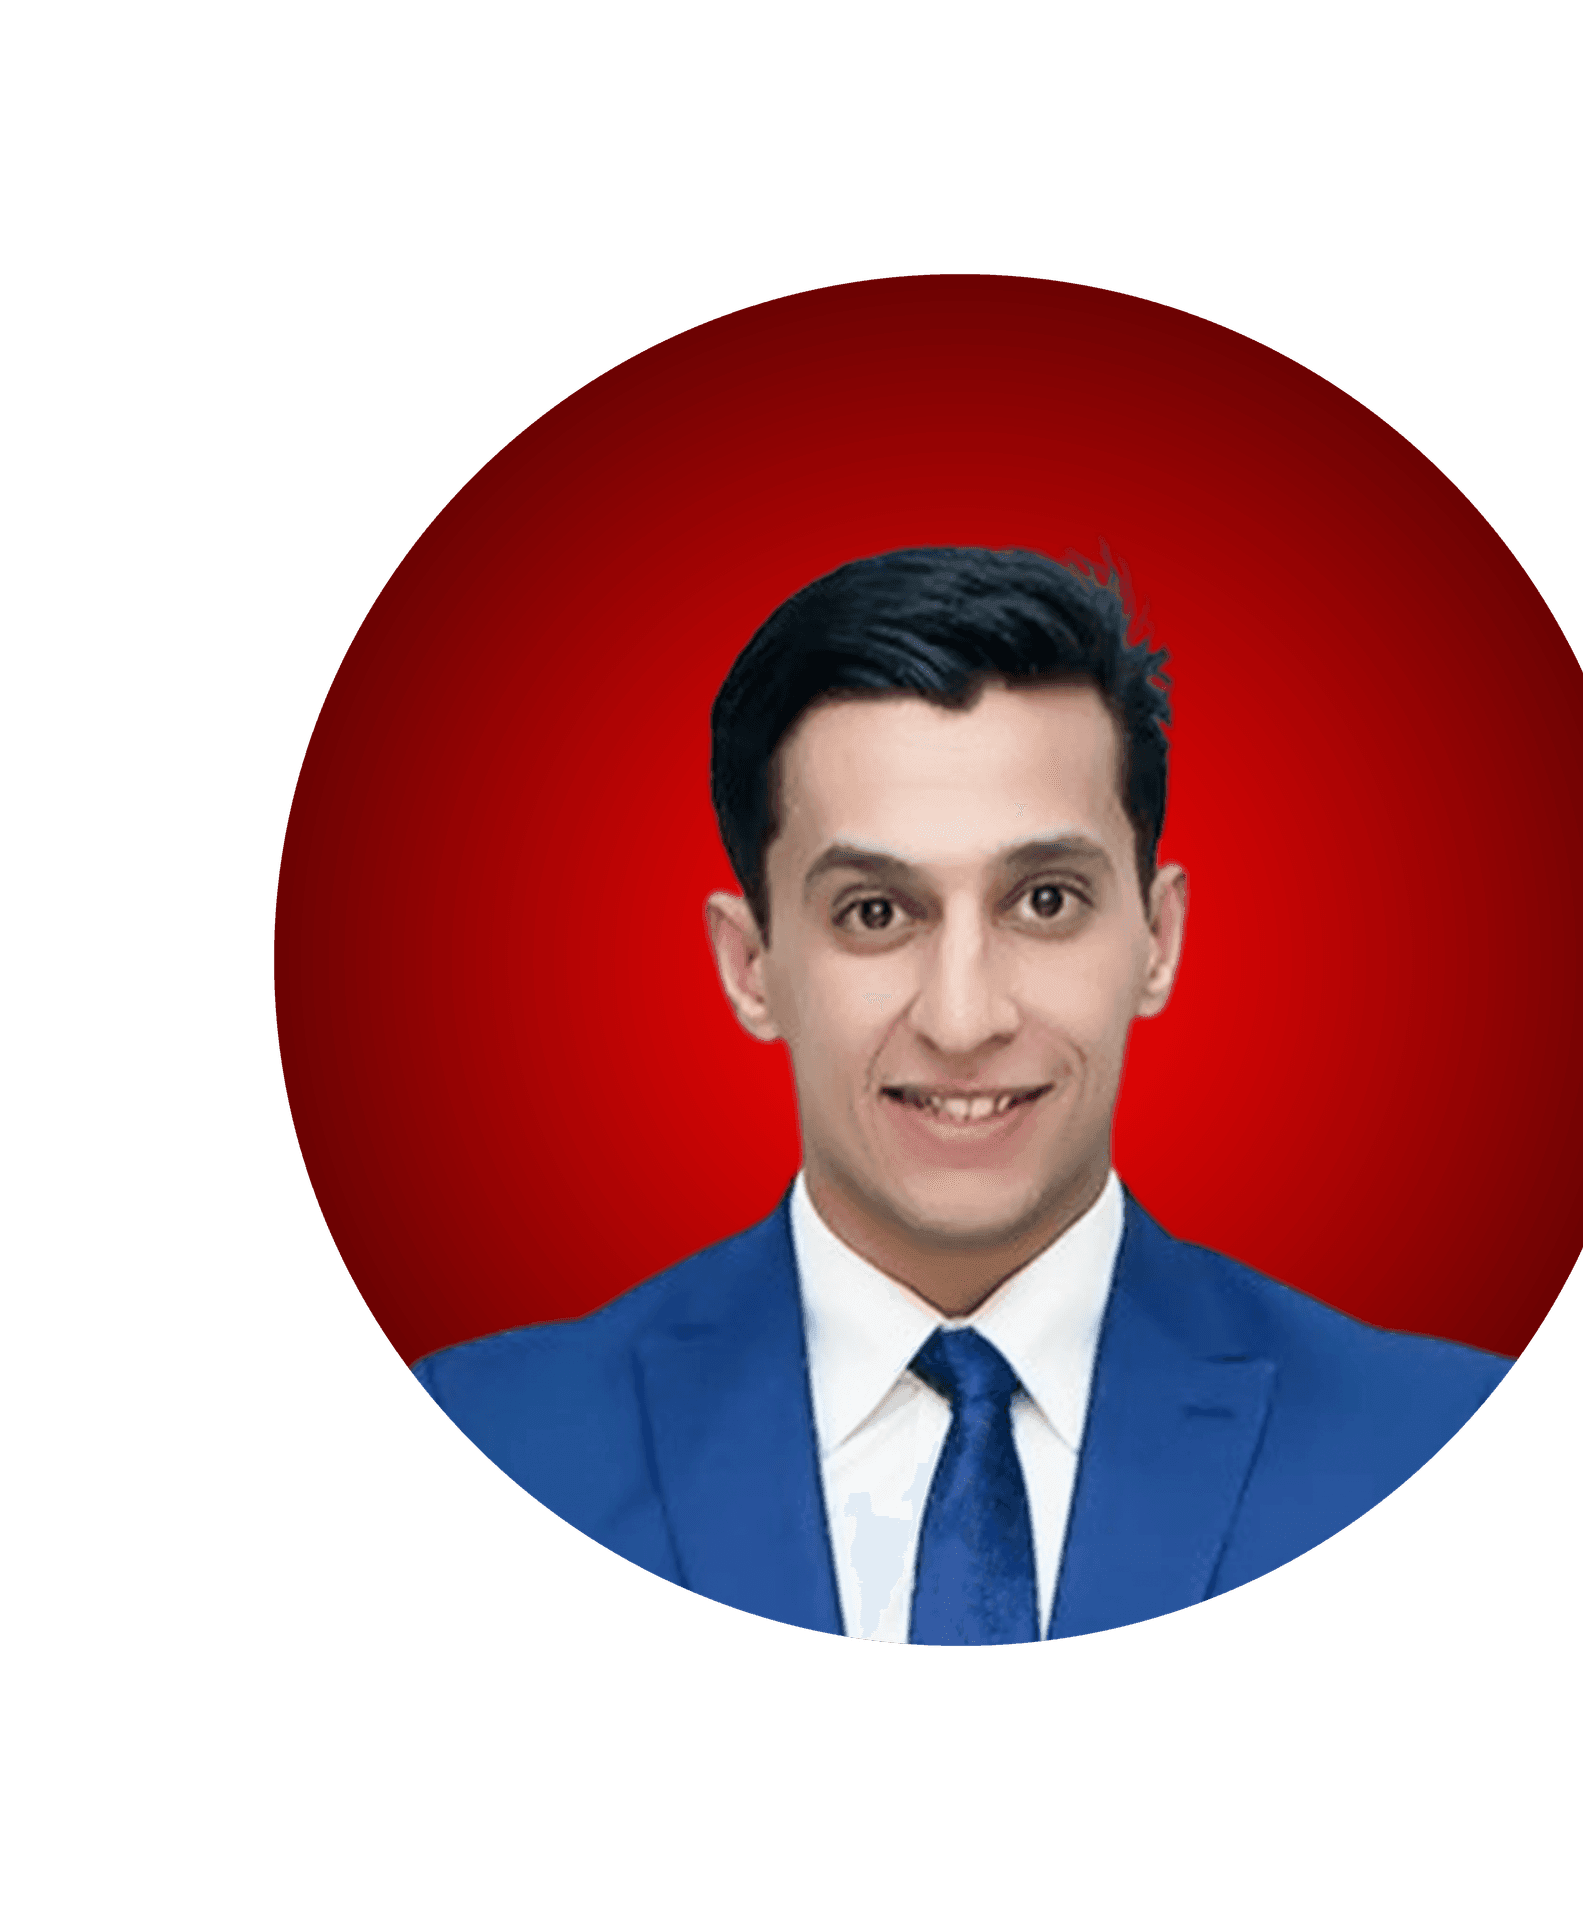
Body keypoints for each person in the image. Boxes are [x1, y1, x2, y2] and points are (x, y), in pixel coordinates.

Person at [413, 547, 1511, 1644]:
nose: (964, 1017)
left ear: (1159, 940)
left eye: (1044, 899)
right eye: (876, 914)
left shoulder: (1446, 1451)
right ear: (752, 967)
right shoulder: (476, 1445)